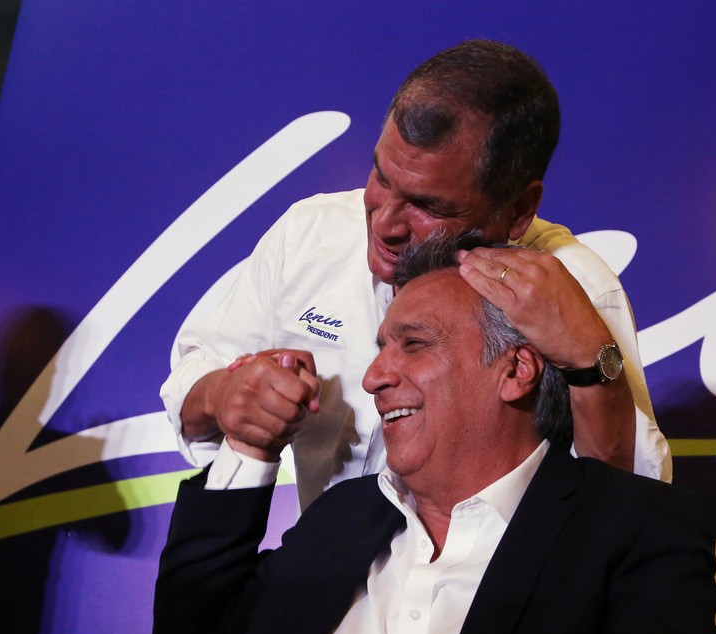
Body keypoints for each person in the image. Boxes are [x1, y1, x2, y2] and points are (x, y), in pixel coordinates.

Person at [160, 39, 670, 512]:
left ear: (518, 209)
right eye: (382, 175)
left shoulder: (574, 286)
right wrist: (224, 396)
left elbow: (633, 504)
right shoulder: (311, 234)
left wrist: (587, 360)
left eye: (428, 205)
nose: (384, 223)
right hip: (327, 588)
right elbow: (191, 384)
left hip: (491, 601)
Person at [153, 234, 716, 634]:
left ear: (516, 370)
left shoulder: (637, 531)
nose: (374, 377)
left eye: (415, 344)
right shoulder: (343, 517)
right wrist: (252, 449)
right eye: (380, 348)